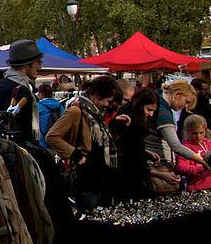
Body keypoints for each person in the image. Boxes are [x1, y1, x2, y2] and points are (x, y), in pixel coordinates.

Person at [45, 75, 123, 210]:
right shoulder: (77, 111)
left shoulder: (93, 113)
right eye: (108, 101)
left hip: (99, 177)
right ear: (98, 95)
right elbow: (52, 136)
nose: (108, 105)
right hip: (87, 178)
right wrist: (76, 155)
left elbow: (100, 139)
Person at [0, 40, 43, 143]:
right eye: (38, 62)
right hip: (16, 152)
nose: (40, 66)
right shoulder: (22, 91)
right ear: (27, 64)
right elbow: (25, 130)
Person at [110, 86, 160, 201]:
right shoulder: (126, 117)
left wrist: (145, 152)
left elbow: (132, 144)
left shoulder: (136, 118)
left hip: (134, 171)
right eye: (149, 110)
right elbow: (125, 146)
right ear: (140, 106)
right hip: (126, 174)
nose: (151, 114)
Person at [156, 80, 210, 169]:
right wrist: (202, 161)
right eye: (186, 102)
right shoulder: (163, 112)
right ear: (177, 95)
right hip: (160, 162)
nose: (185, 106)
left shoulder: (159, 102)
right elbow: (175, 146)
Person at [176, 114, 211, 191]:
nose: (198, 136)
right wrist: (201, 168)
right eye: (194, 133)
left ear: (206, 131)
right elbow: (180, 167)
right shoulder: (185, 148)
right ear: (187, 132)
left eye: (201, 132)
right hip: (197, 188)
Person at [191, 78, 211, 145]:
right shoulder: (191, 105)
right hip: (198, 142)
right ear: (196, 89)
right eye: (204, 89)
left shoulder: (207, 103)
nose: (207, 92)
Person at [36, 83, 63, 148]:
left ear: (40, 94)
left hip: (43, 143)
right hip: (58, 142)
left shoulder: (37, 107)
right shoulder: (60, 106)